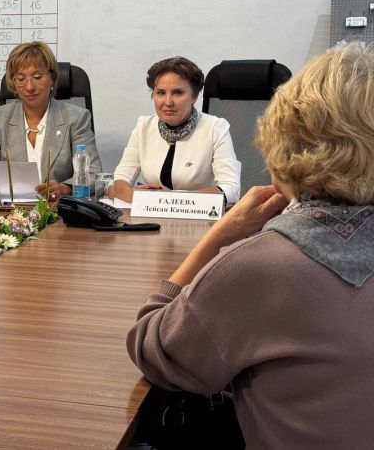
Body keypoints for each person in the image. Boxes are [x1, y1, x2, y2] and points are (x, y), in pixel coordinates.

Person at [128, 43, 374, 448]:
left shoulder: (259, 267)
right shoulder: (144, 128)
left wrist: (217, 237)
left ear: (282, 143)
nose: (167, 100)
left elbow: (154, 350)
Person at [0, 42, 102, 201]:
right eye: (21, 79)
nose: (29, 87)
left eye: (37, 77)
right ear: (13, 83)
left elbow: (93, 173)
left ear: (52, 78)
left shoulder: (76, 118)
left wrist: (65, 188)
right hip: (10, 212)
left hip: (59, 210)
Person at [111, 57, 240, 204]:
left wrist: (170, 200)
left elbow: (231, 189)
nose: (168, 102)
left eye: (177, 93)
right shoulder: (144, 126)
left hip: (199, 215)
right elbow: (118, 180)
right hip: (151, 214)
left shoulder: (215, 128)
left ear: (194, 96)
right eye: (160, 93)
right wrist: (136, 196)